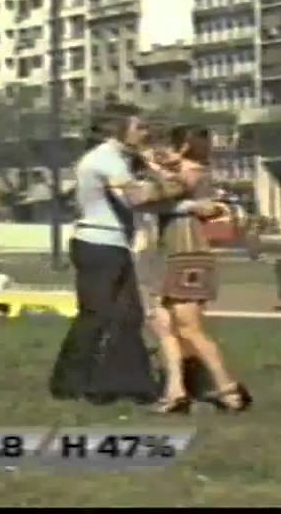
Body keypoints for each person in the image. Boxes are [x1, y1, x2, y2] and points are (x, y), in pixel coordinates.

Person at [50, 108, 182, 406]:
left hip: (115, 244)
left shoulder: (121, 159)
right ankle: (69, 383)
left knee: (129, 316)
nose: (145, 133)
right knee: (95, 316)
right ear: (118, 129)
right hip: (97, 245)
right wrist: (175, 183)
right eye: (140, 128)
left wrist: (154, 170)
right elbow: (136, 198)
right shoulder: (105, 160)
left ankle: (127, 384)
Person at [144, 126, 252, 415]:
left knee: (188, 328)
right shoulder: (177, 170)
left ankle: (229, 390)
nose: (162, 149)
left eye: (169, 143)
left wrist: (151, 167)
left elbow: (158, 194)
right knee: (163, 325)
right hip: (168, 253)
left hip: (188, 254)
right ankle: (175, 391)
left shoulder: (192, 171)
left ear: (183, 146)